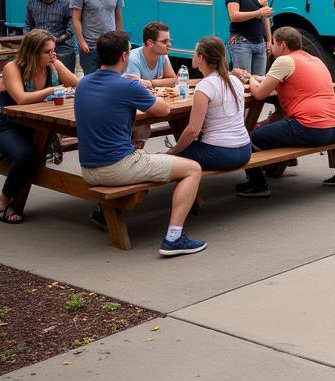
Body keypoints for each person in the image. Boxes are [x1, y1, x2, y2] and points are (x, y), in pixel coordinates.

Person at [75, 30, 206, 256]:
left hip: (88, 167)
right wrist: (143, 88)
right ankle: (174, 237)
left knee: (143, 153)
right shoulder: (127, 86)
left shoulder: (83, 83)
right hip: (117, 167)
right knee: (193, 169)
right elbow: (163, 109)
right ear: (125, 56)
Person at [235, 27, 335, 196]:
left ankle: (258, 186)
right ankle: (276, 167)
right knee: (275, 126)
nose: (270, 47)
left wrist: (249, 78)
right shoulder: (315, 59)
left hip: (312, 128)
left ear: (283, 45)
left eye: (273, 43)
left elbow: (260, 93)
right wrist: (257, 79)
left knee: (251, 138)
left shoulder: (284, 61)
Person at [0, 29, 79, 223]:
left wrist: (56, 62)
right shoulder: (12, 67)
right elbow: (21, 98)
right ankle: (2, 201)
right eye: (48, 52)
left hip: (38, 129)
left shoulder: (51, 65)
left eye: (54, 50)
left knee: (88, 138)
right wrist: (51, 89)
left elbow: (77, 85)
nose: (53, 54)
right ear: (32, 52)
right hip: (8, 129)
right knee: (27, 156)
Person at [167, 36, 252, 171]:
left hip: (220, 154)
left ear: (200, 57)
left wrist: (173, 150)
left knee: (165, 159)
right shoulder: (235, 81)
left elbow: (193, 130)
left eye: (194, 53)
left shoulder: (205, 86)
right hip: (245, 150)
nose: (192, 55)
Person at [125, 21, 178, 148]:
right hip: (129, 109)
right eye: (164, 42)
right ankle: (135, 155)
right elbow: (135, 87)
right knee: (142, 127)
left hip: (147, 103)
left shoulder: (162, 55)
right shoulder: (133, 59)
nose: (169, 45)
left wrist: (150, 83)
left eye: (169, 41)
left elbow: (173, 80)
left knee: (179, 118)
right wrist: (154, 85)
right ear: (150, 43)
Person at [70, 0, 124, 76]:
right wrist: (81, 42)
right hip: (90, 46)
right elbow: (76, 19)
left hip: (110, 45)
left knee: (111, 78)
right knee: (91, 79)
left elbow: (118, 16)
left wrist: (119, 39)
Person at [226, 0, 272, 76]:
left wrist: (269, 40)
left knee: (259, 82)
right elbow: (234, 16)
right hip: (241, 42)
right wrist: (258, 12)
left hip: (260, 43)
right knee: (243, 82)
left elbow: (265, 17)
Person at [24, 0, 75, 73]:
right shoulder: (32, 0)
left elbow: (70, 30)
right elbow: (28, 25)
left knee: (65, 82)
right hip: (38, 46)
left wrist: (52, 42)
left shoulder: (66, 2)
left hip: (62, 47)